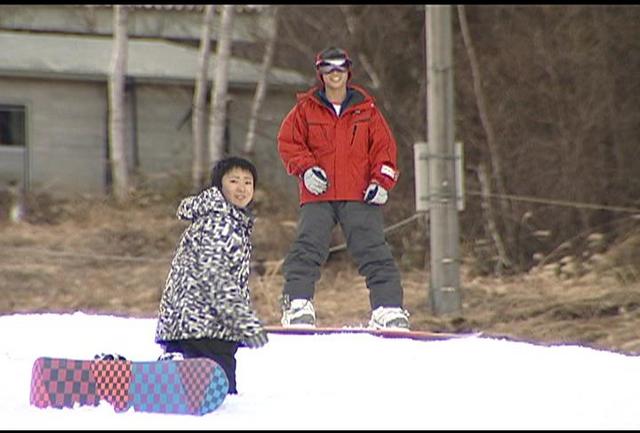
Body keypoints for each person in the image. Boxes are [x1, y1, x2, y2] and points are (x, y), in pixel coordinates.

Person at [276, 46, 410, 330]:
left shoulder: (367, 110)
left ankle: (388, 308)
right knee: (307, 248)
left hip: (358, 193)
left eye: (340, 68)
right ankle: (297, 304)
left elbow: (384, 149)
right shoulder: (305, 108)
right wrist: (306, 168)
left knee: (373, 249)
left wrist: (381, 182)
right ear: (320, 73)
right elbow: (289, 142)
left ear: (348, 72)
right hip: (319, 194)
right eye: (328, 69)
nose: (334, 74)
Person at [154, 156, 268, 395]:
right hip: (206, 327)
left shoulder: (223, 219)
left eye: (248, 182)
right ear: (219, 187)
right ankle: (172, 371)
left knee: (194, 396)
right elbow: (215, 277)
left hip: (192, 324)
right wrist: (245, 324)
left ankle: (175, 369)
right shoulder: (222, 222)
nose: (242, 188)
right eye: (234, 181)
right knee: (220, 398)